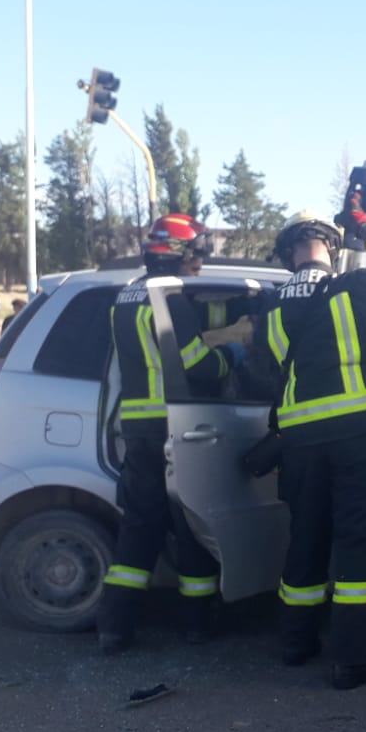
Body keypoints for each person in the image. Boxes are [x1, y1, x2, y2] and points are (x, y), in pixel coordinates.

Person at [259, 201, 366, 690]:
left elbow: (260, 373)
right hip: (358, 442)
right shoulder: (358, 286)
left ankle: (295, 643)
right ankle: (350, 662)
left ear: (289, 254)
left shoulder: (271, 307)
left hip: (302, 446)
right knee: (357, 551)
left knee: (305, 542)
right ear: (333, 246)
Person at [96, 213, 240, 656]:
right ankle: (197, 625)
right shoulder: (172, 299)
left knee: (139, 529)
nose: (200, 261)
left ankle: (114, 629)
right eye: (197, 252)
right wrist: (231, 356)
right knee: (190, 524)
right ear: (179, 253)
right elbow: (198, 365)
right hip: (173, 426)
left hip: (138, 428)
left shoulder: (126, 296)